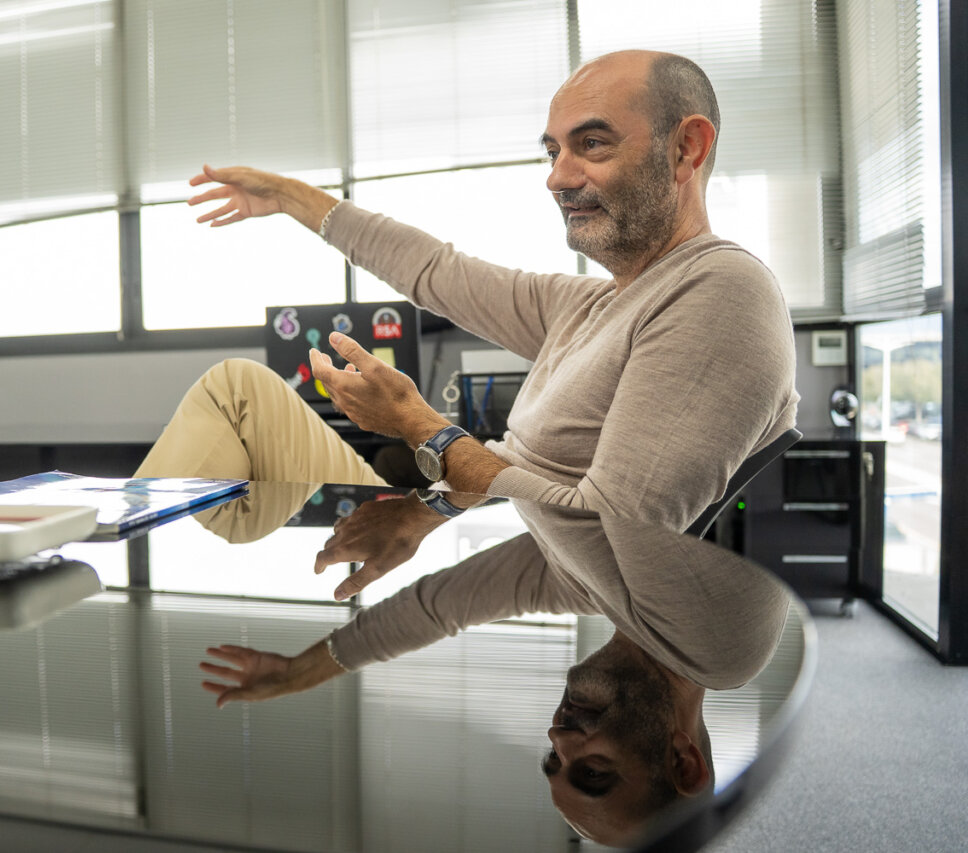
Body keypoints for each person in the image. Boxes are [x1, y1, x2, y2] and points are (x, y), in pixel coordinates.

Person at [137, 48, 800, 841]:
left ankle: (60, 531)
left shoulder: (717, 289)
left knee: (235, 393)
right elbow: (436, 272)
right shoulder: (601, 306)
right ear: (685, 759)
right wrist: (288, 198)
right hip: (438, 497)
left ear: (686, 150)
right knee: (238, 394)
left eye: (590, 145)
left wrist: (426, 432)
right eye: (554, 150)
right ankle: (60, 528)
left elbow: (588, 526)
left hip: (444, 487)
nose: (560, 742)